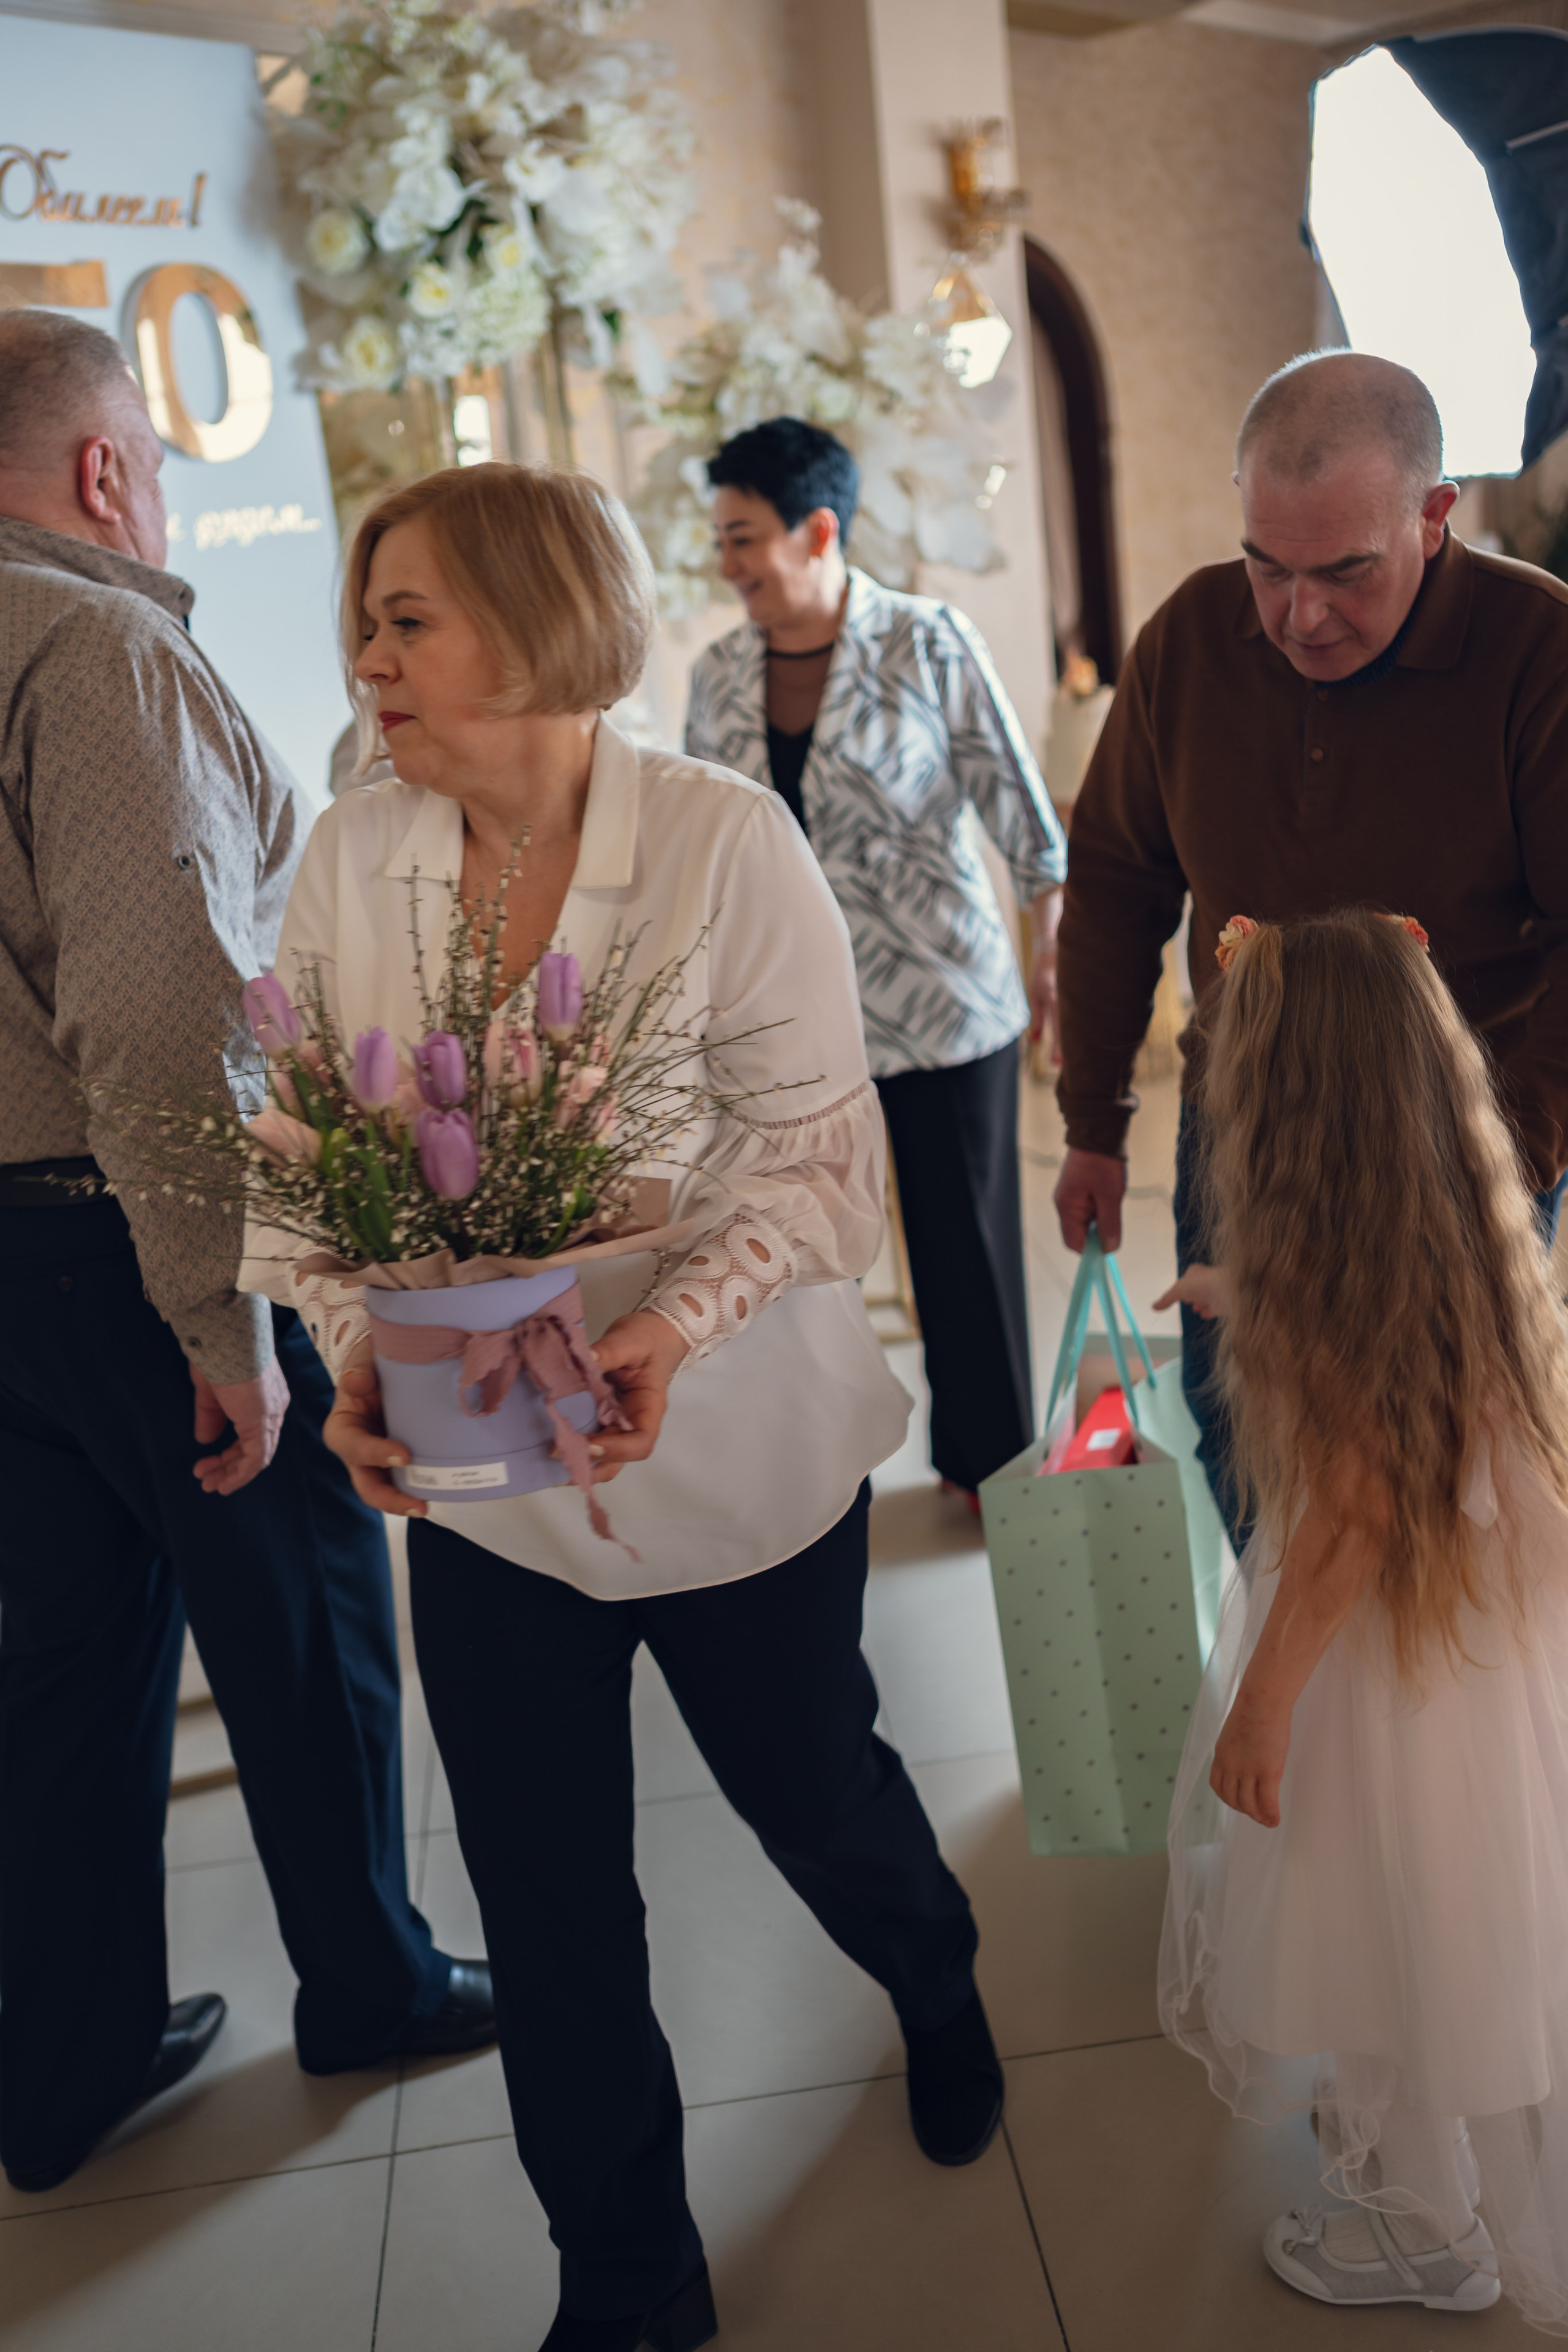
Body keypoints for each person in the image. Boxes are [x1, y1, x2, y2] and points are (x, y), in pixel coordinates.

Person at [270, 462, 1006, 2352]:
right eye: (367, 618)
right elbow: (311, 1160)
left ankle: (933, 1975)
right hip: (490, 1487)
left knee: (815, 1798)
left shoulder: (717, 841)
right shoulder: (356, 855)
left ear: (529, 622)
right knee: (549, 1900)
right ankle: (629, 2273)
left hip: (738, 1460)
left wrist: (676, 1325)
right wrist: (352, 1348)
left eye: (403, 617)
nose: (367, 658)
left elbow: (822, 1171)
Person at [0, 309, 494, 2194]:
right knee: (299, 1622)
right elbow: (159, 1018)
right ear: (111, 470)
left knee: (61, 1662)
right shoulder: (101, 642)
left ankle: (68, 2058)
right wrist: (224, 1320)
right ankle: (368, 1984)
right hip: (123, 1242)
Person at [1051, 352, 1568, 1543]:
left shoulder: (1535, 650)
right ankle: (1288, 1680)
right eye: (1265, 568)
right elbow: (1119, 875)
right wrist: (1090, 1117)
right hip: (1238, 1108)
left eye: (1343, 573)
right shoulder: (1188, 637)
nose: (1297, 617)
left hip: (1465, 1122)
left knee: (1436, 1450)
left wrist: (1513, 1174)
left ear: (1432, 519)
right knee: (1240, 1421)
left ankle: (1414, 1714)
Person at [1157, 907, 1568, 2329]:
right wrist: (1229, 1289)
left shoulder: (1343, 1289)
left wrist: (1262, 1699)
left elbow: (1352, 1516)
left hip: (1376, 1669)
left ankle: (1429, 2233)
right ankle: (1437, 2180)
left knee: (1383, 1938)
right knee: (1463, 1924)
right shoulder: (1447, 1218)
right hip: (1480, 1651)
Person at [685, 417, 1068, 1501]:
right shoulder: (717, 675)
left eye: (744, 537)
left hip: (944, 1000)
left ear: (817, 529)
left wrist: (1051, 962)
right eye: (720, 538)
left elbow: (1027, 824)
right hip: (793, 1016)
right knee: (798, 1245)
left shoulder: (929, 641)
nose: (728, 564)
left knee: (965, 1251)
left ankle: (990, 1468)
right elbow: (709, 848)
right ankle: (814, 1463)